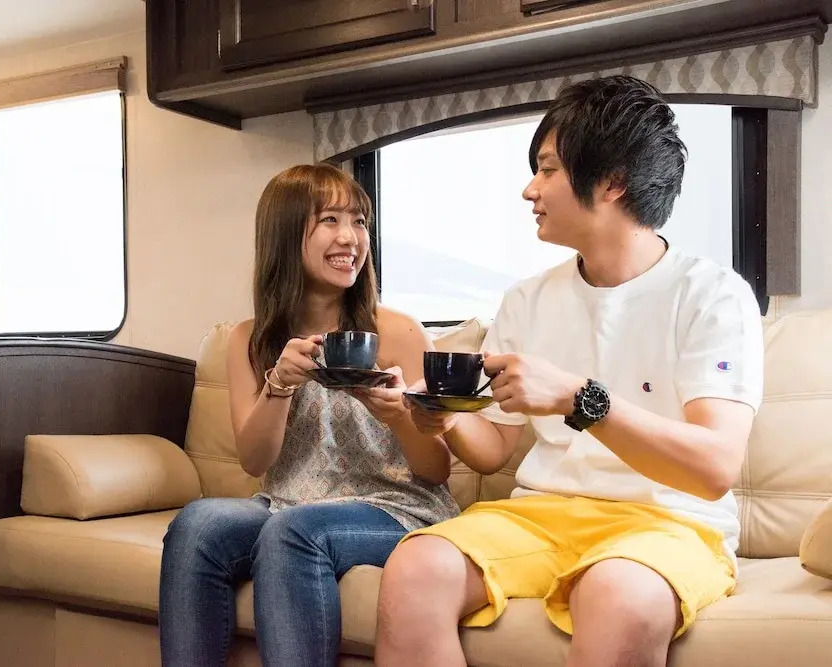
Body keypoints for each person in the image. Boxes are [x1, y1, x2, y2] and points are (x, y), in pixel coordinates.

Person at [375, 75, 764, 667]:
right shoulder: (527, 300)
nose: (530, 189)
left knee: (617, 593)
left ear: (612, 182)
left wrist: (578, 397)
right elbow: (493, 451)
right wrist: (442, 417)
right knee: (415, 566)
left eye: (548, 169)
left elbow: (713, 468)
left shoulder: (712, 294)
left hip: (670, 523)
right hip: (542, 515)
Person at [158, 164, 460, 667]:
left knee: (293, 530)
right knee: (197, 525)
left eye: (359, 221)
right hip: (286, 501)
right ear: (284, 234)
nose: (350, 238)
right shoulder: (248, 339)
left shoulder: (400, 332)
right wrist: (279, 385)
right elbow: (255, 462)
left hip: (397, 508)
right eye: (330, 220)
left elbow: (437, 470)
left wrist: (398, 417)